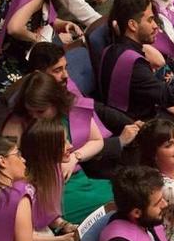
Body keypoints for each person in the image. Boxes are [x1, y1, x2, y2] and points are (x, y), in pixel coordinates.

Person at [1, 72, 115, 223]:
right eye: (30, 111)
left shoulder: (70, 108)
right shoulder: (17, 123)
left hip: (78, 178)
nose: (34, 117)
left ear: (55, 103)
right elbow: (7, 167)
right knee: (116, 204)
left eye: (40, 111)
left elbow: (97, 140)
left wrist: (74, 158)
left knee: (122, 192)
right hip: (47, 189)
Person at [27, 42, 138, 178]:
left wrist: (132, 123)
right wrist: (119, 141)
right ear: (39, 75)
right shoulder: (29, 106)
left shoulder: (66, 90)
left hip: (85, 158)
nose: (66, 75)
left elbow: (96, 111)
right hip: (73, 171)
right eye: (57, 70)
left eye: (65, 68)